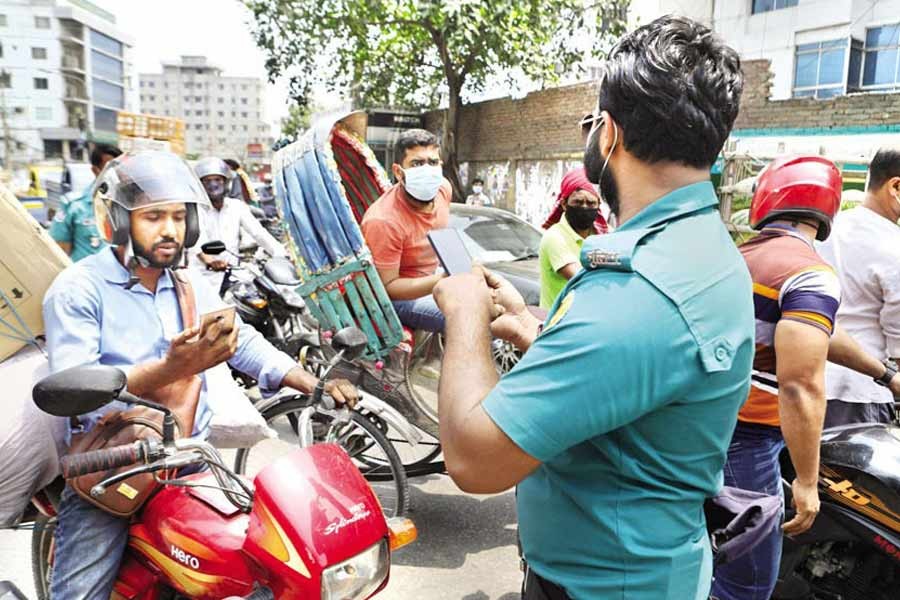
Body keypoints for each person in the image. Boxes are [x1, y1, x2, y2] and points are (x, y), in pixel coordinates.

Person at [432, 16, 755, 599]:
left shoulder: (640, 292)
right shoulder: (704, 251)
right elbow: (633, 385)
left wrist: (463, 313)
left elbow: (474, 459)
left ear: (608, 135)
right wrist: (533, 329)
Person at [42, 151, 357, 599]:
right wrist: (171, 369)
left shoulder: (190, 283)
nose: (169, 230)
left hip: (188, 461)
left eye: (176, 216)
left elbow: (240, 339)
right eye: (152, 216)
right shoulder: (78, 289)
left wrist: (307, 382)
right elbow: (76, 385)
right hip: (111, 470)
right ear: (118, 219)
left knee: (260, 567)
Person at [711, 155, 900, 600]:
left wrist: (885, 374)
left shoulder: (741, 257)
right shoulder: (809, 270)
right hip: (751, 436)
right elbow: (800, 385)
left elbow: (817, 331)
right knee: (747, 581)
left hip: (713, 422)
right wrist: (809, 484)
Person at [818, 147, 900, 427]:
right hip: (863, 395)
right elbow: (898, 345)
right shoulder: (895, 247)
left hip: (807, 381)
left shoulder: (828, 228)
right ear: (896, 187)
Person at [361, 129, 452, 333]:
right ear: (398, 171)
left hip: (433, 278)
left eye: (433, 162)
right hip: (399, 300)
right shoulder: (384, 220)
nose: (428, 170)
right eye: (417, 163)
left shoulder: (443, 189)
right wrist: (441, 281)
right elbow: (388, 288)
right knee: (466, 316)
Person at [191, 157, 286, 289]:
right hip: (203, 278)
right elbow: (197, 242)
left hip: (233, 275)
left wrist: (281, 254)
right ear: (200, 185)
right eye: (207, 181)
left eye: (217, 180)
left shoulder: (237, 206)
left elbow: (258, 233)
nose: (213, 185)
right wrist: (210, 260)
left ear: (226, 182)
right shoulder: (195, 209)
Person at [538, 167, 607, 309]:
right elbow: (583, 280)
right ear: (564, 204)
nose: (585, 208)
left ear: (598, 205)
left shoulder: (602, 235)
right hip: (558, 323)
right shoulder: (554, 237)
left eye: (591, 203)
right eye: (578, 203)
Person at [50, 144, 122, 261]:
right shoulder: (74, 205)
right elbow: (61, 249)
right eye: (109, 168)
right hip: (87, 277)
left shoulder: (131, 205)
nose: (115, 173)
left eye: (119, 168)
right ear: (95, 170)